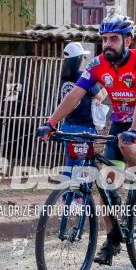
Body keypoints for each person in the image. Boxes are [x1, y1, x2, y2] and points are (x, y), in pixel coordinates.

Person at [37, 14, 136, 265]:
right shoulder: (97, 64)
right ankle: (113, 239)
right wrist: (51, 123)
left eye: (114, 39)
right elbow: (75, 95)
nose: (108, 43)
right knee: (105, 184)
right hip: (120, 122)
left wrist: (135, 131)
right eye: (104, 39)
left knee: (128, 143)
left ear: (127, 41)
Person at [57, 42, 108, 174]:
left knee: (71, 164)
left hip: (68, 126)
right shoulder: (82, 76)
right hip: (83, 129)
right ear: (79, 58)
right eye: (83, 57)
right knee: (81, 167)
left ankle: (68, 193)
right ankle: (77, 194)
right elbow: (100, 96)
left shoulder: (64, 78)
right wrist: (110, 84)